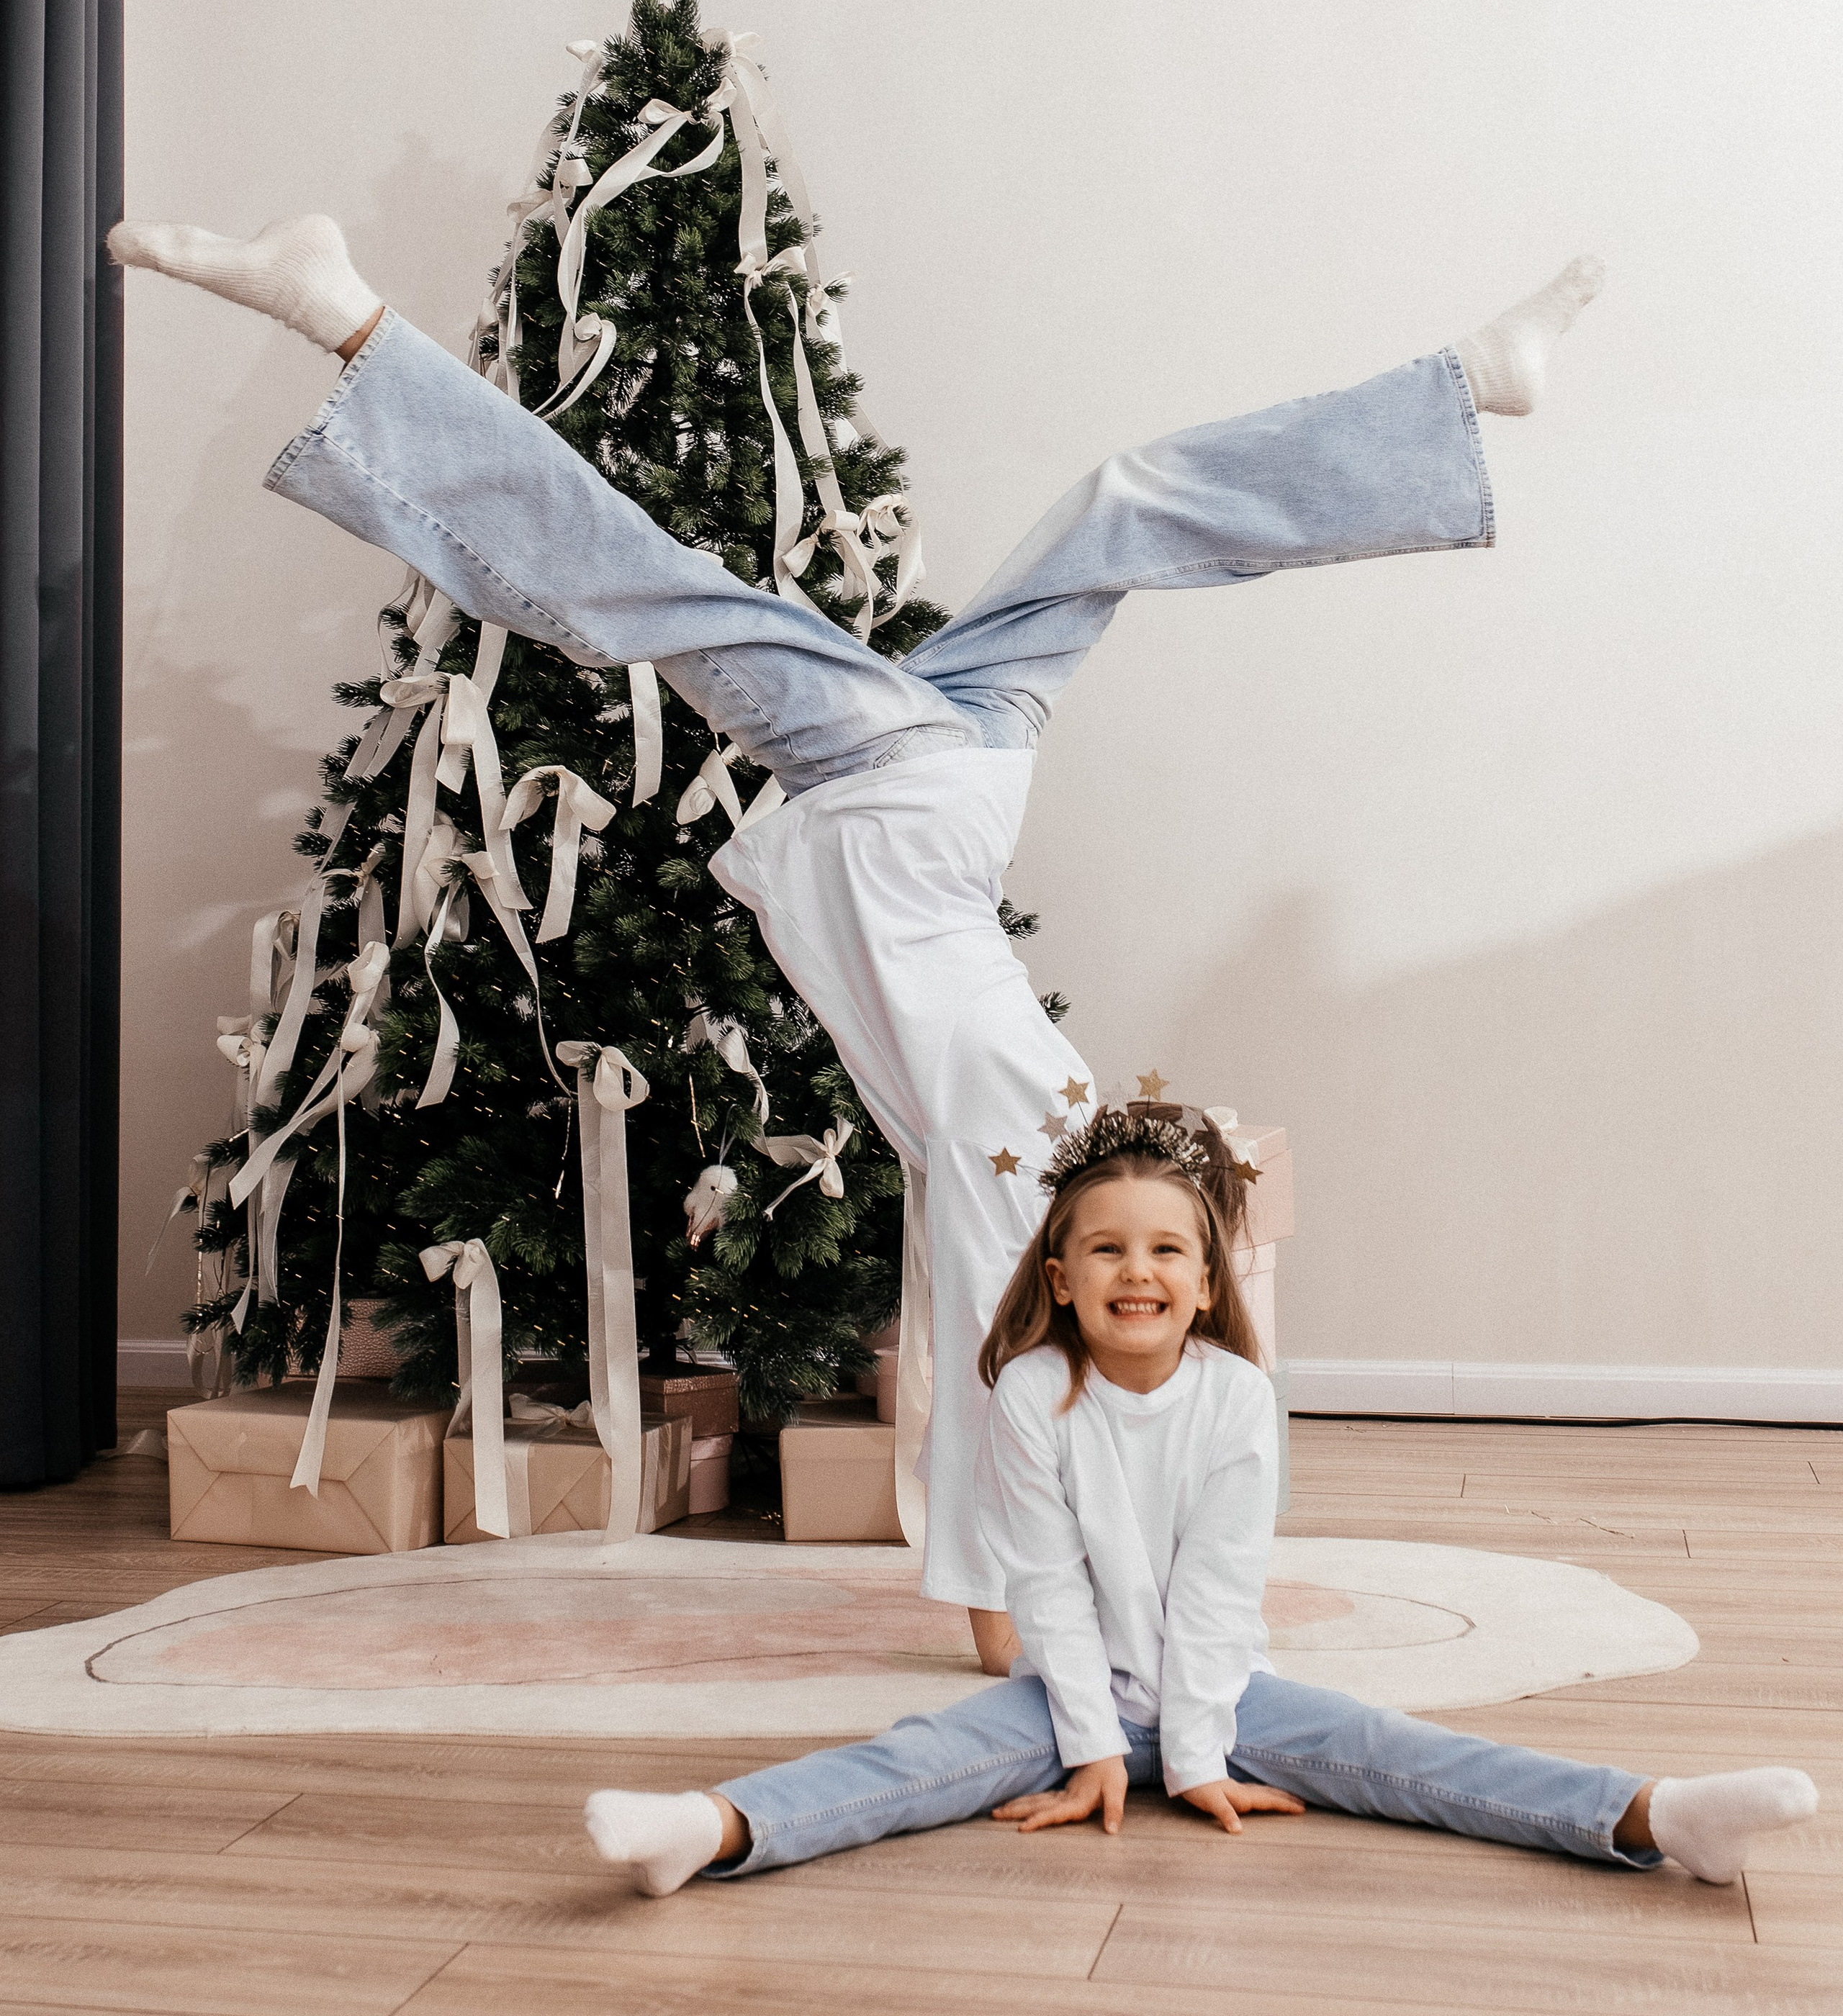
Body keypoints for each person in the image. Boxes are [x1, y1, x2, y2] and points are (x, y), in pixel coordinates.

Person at [110, 202, 1598, 1667]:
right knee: (644, 581)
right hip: (905, 793)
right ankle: (341, 315)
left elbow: (989, 1388)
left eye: (1142, 1263)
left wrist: (1012, 1622)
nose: (1136, 1269)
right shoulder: (1046, 1163)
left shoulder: (1013, 1195)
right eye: (1141, 1256)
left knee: (1112, 505)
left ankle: (1459, 391)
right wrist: (1028, 1604)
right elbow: (1014, 1385)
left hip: (928, 779)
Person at [580, 1112, 1819, 1895]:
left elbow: (1220, 1589)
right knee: (913, 1760)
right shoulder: (1028, 1396)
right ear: (1062, 1280)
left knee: (1408, 1757)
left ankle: (1656, 1817)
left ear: (1207, 1276)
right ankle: (715, 1828)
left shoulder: (1236, 1400)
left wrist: (1191, 1749)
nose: (1140, 1271)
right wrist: (1088, 1746)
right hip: (1073, 1693)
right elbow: (1047, 1589)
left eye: (1169, 1250)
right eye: (1109, 1250)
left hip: (1229, 1692)